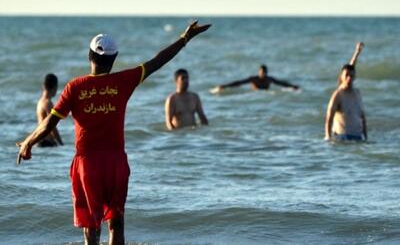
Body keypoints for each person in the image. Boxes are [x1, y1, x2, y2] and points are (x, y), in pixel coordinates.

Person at [17, 21, 211, 245]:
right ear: (114, 59)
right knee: (117, 223)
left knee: (91, 227)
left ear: (90, 56)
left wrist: (28, 143)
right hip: (116, 163)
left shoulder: (75, 87)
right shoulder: (123, 81)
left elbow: (50, 123)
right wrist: (185, 38)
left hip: (87, 165)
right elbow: (157, 62)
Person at [324, 42, 367, 141]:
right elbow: (329, 117)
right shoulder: (338, 94)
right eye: (346, 76)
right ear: (341, 77)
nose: (349, 78)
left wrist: (366, 138)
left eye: (351, 76)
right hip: (342, 138)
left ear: (355, 77)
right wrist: (327, 137)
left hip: (358, 138)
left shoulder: (357, 93)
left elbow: (363, 118)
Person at [211, 64, 299, 93]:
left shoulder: (269, 79)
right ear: (259, 72)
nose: (263, 74)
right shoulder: (254, 79)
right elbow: (239, 83)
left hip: (265, 94)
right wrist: (225, 86)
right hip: (254, 94)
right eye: (261, 72)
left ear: (266, 73)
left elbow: (281, 83)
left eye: (264, 73)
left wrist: (292, 86)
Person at [36, 73, 63, 147]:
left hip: (40, 140)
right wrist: (61, 143)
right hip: (46, 143)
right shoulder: (48, 103)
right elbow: (52, 125)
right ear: (55, 87)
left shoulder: (40, 102)